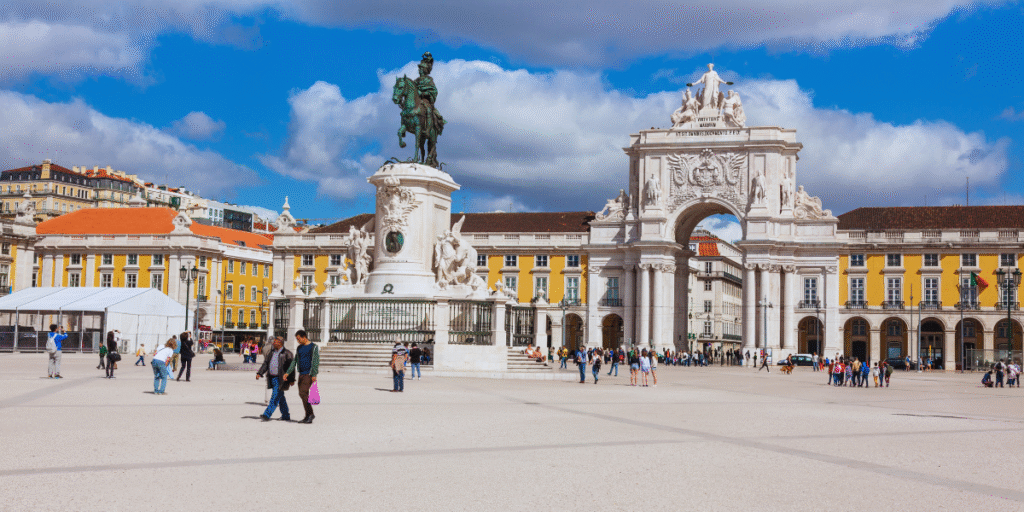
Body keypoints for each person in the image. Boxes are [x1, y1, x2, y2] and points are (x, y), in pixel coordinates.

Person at [285, 330, 319, 423]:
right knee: (302, 394)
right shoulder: (299, 348)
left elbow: (316, 361)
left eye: (299, 339)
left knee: (303, 393)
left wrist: (314, 374)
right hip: (301, 373)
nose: (298, 341)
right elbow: (295, 361)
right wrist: (288, 372)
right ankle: (308, 415)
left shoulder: (314, 347)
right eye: (297, 339)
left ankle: (310, 414)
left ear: (304, 337)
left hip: (309, 374)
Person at [256, 337, 294, 421]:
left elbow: (291, 367)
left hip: (281, 379)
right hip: (272, 378)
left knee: (275, 396)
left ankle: (267, 414)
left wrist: (291, 379)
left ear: (280, 343)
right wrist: (260, 373)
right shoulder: (271, 352)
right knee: (280, 397)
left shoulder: (287, 353)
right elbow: (266, 363)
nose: (273, 343)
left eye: (275, 342)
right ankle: (285, 415)